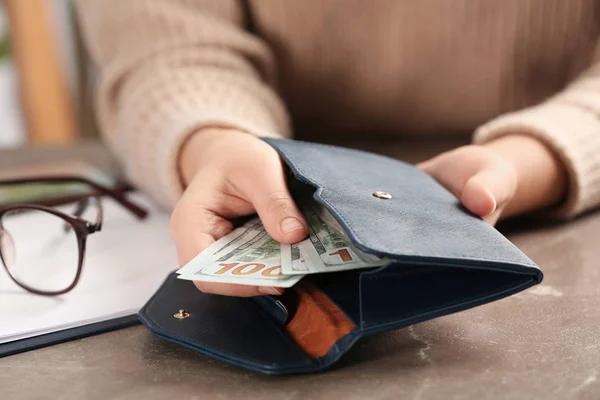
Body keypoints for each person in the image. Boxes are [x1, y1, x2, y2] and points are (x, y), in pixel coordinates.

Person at [75, 0, 599, 297]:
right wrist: (212, 143)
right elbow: (165, 48)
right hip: (274, 172)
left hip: (550, 203)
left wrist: (531, 160)